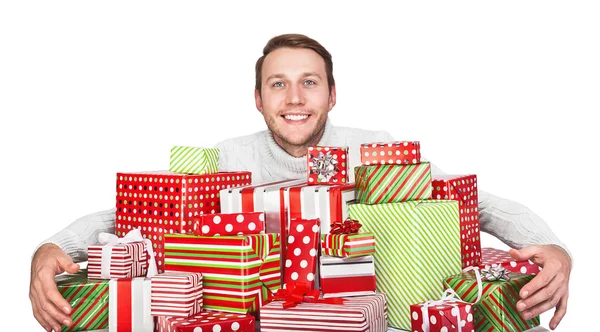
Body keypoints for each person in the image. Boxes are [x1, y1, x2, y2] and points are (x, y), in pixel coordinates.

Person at [30, 34, 572, 331]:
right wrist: (56, 246)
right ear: (259, 98)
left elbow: (472, 203)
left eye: (309, 83)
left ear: (332, 95)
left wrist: (552, 246)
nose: (294, 99)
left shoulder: (372, 150)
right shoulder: (226, 159)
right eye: (278, 84)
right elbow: (131, 213)